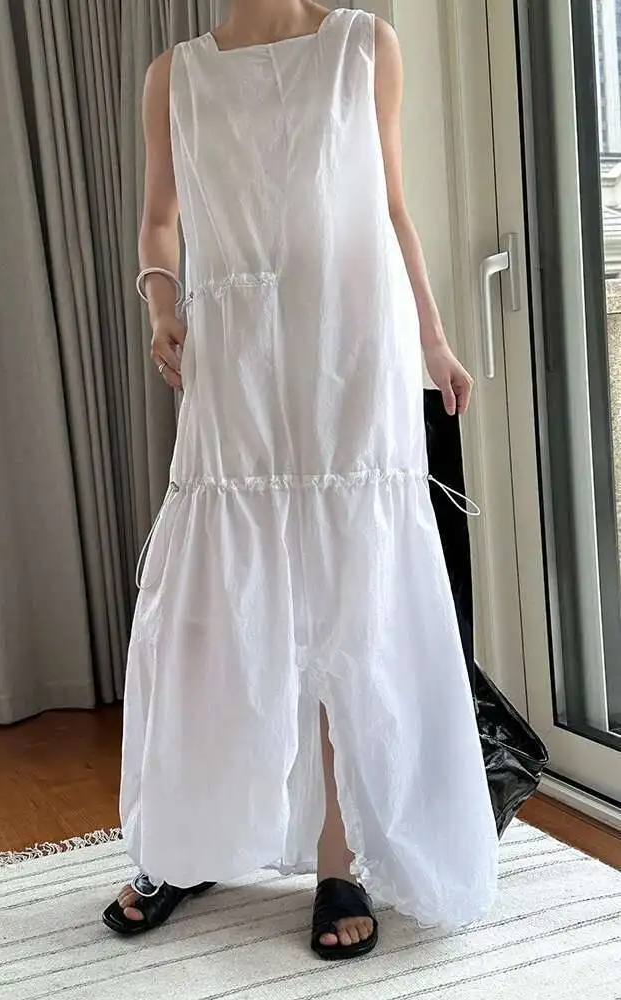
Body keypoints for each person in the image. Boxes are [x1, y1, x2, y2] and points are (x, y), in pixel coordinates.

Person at [102, 1, 499, 961]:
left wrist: (433, 339)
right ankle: (186, 838)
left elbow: (392, 207)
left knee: (344, 601)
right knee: (211, 607)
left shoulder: (365, 46)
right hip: (233, 354)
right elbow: (159, 220)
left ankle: (339, 859)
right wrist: (161, 304)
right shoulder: (175, 75)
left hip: (349, 352)